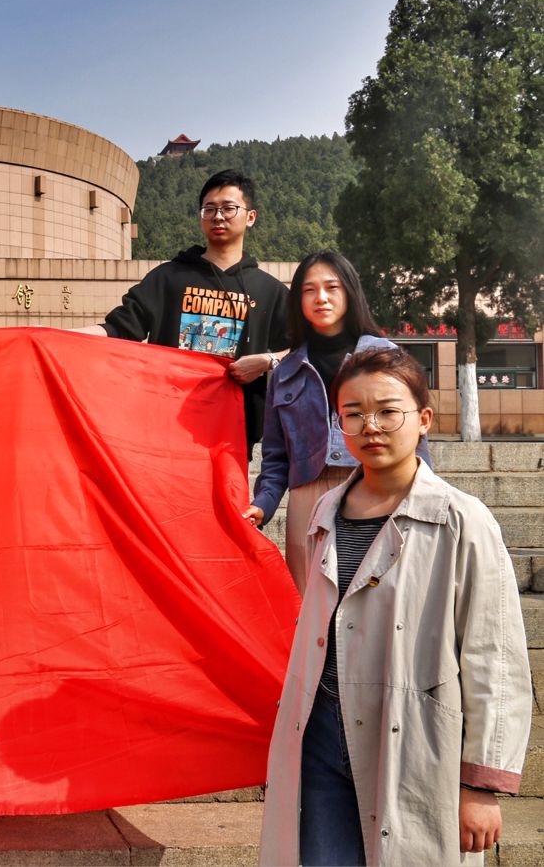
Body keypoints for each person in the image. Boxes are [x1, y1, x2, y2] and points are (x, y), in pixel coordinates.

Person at [259, 347, 531, 866]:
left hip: (412, 734)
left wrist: (481, 784)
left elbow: (494, 656)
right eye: (353, 413)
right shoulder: (326, 510)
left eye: (388, 411)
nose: (371, 426)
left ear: (423, 419)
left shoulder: (461, 519)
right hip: (320, 733)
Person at [242, 251, 430, 592]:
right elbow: (276, 457)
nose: (321, 298)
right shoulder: (285, 371)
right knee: (311, 601)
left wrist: (426, 494)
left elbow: (414, 438)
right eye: (309, 290)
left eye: (332, 287)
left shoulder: (387, 357)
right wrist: (263, 505)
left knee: (376, 596)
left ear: (350, 292)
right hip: (307, 499)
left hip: (375, 484)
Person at [74, 170, 289, 453]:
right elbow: (119, 328)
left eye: (228, 208)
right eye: (209, 209)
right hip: (164, 429)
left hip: (231, 438)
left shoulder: (269, 291)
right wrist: (55, 336)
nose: (218, 216)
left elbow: (306, 348)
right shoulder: (168, 278)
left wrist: (268, 361)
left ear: (250, 217)